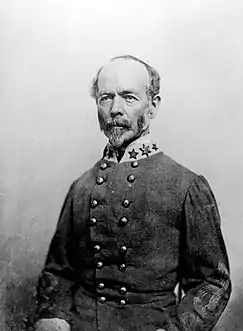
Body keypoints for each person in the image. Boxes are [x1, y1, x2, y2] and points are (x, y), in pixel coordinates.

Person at [35, 55, 231, 331]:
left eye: (128, 97)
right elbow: (59, 271)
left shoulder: (186, 186)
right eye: (106, 98)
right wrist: (52, 315)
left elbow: (213, 281)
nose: (115, 109)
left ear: (153, 106)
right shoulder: (81, 187)